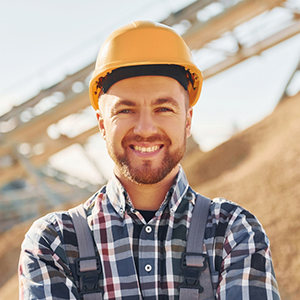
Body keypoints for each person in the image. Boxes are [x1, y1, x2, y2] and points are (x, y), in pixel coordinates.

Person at [19, 21, 281, 300]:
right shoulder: (53, 243)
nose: (145, 128)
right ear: (102, 124)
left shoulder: (233, 231)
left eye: (163, 108)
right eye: (126, 110)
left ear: (188, 120)